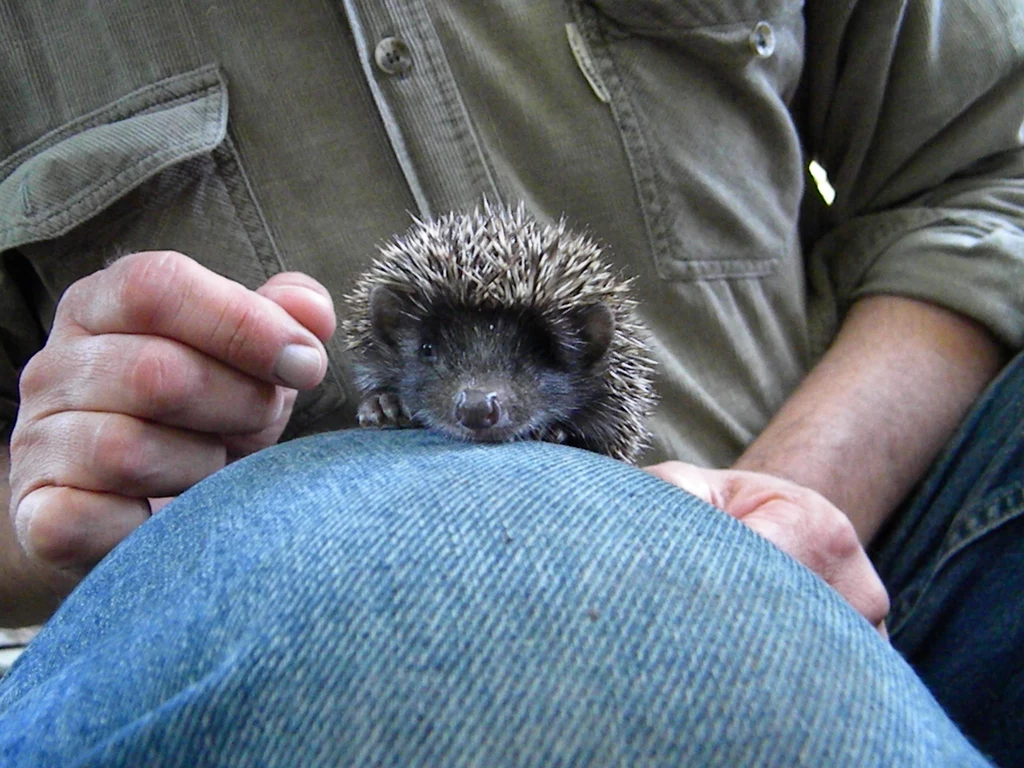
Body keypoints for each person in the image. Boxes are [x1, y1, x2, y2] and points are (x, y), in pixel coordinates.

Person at [0, 0, 1021, 764]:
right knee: (517, 529)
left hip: (881, 541)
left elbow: (988, 168)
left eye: (522, 365)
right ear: (400, 345)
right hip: (313, 631)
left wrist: (769, 523)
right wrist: (49, 499)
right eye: (448, 362)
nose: (487, 402)